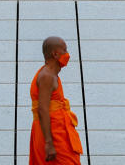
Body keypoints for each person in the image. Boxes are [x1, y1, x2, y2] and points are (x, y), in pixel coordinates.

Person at [28, 36, 83, 164]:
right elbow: (42, 109)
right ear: (55, 54)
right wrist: (49, 143)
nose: (67, 54)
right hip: (53, 133)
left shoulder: (51, 74)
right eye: (65, 50)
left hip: (57, 129)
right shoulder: (46, 76)